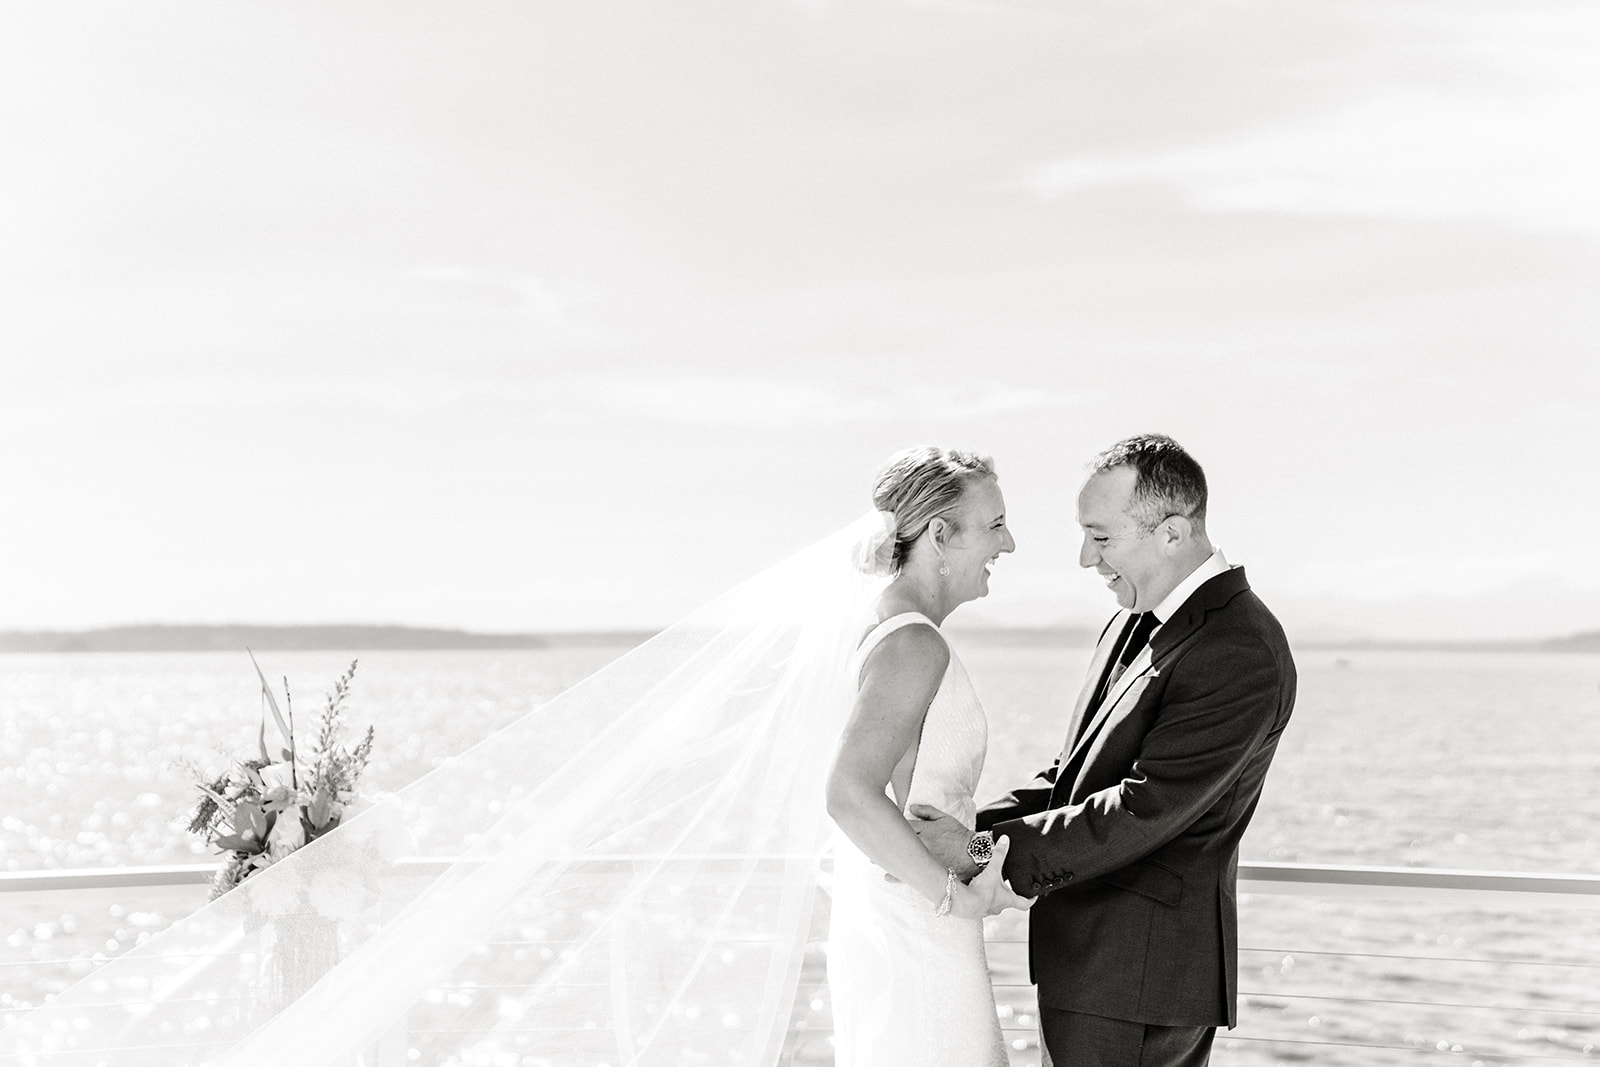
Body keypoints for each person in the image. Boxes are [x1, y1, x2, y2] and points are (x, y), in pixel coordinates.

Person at [912, 433, 1297, 1067]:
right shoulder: (1134, 618)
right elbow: (1077, 776)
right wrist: (966, 825)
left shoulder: (1239, 647)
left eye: (1102, 536)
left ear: (1172, 533)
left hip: (1137, 981)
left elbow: (1141, 809)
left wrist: (978, 851)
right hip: (1090, 967)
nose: (1086, 558)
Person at [824, 446, 1034, 1067]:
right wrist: (953, 896)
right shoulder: (913, 642)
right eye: (995, 525)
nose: (1011, 543)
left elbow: (921, 814)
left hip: (907, 915)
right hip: (920, 927)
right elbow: (849, 794)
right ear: (941, 535)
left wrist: (977, 859)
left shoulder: (890, 626)